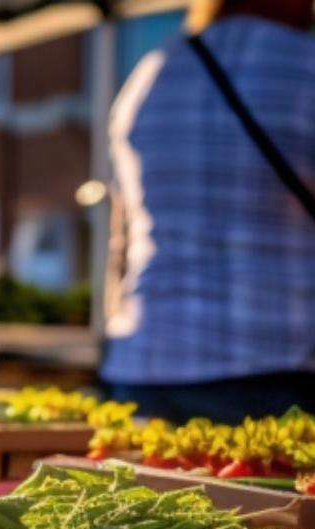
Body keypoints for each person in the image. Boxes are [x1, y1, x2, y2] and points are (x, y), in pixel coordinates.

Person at [103, 0, 315, 422]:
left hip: (145, 364)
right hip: (276, 364)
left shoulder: (151, 73)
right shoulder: (305, 65)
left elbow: (121, 237)